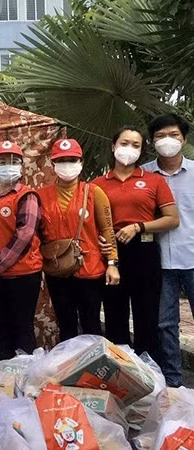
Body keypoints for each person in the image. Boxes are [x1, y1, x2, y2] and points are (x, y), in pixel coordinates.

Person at [93, 126, 179, 361]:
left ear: (141, 151)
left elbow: (172, 219)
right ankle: (121, 376)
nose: (128, 149)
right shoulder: (98, 184)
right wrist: (100, 241)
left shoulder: (153, 181)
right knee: (114, 315)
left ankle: (149, 375)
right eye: (124, 143)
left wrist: (140, 226)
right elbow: (92, 222)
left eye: (135, 145)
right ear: (113, 146)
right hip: (112, 254)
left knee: (147, 317)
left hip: (145, 251)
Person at [37, 138, 120, 342]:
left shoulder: (93, 192)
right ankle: (69, 370)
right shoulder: (41, 196)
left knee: (91, 324)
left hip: (89, 268)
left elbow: (107, 228)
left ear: (81, 162)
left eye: (72, 160)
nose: (67, 165)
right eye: (62, 160)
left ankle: (93, 370)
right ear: (53, 164)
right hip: (57, 270)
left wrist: (112, 262)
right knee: (66, 324)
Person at [0, 141, 42, 360]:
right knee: (2, 327)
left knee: (22, 328)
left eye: (13, 161)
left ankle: (28, 379)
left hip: (21, 274)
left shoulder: (26, 196)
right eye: (2, 161)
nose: (8, 166)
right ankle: (6, 376)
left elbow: (25, 234)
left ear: (22, 166)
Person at [141, 114, 192, 387]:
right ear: (151, 142)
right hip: (159, 262)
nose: (167, 141)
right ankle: (174, 382)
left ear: (184, 139)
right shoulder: (144, 175)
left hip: (192, 258)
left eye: (173, 135)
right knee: (165, 325)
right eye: (160, 136)